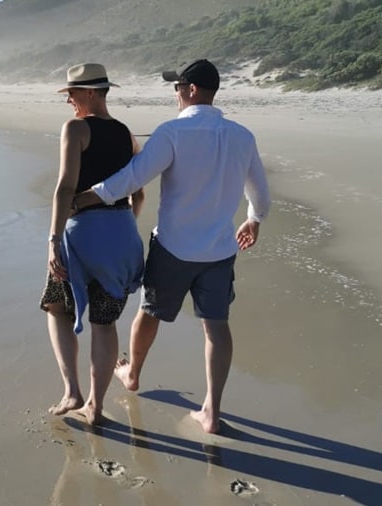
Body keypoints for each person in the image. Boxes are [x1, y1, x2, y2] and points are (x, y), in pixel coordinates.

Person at [72, 59, 271, 433]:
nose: (176, 94)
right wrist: (254, 218)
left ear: (191, 90)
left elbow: (133, 177)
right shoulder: (242, 136)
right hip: (218, 251)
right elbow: (260, 192)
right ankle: (212, 411)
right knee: (216, 327)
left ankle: (132, 374)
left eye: (177, 87)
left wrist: (84, 199)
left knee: (149, 313)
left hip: (174, 248)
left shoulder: (172, 133)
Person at [40, 63, 146, 426]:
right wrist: (122, 227)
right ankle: (96, 408)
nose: (68, 100)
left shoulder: (76, 128)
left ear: (88, 93)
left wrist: (53, 240)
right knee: (105, 321)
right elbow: (139, 195)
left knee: (57, 306)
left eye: (71, 93)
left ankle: (73, 392)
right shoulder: (126, 132)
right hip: (122, 234)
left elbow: (65, 187)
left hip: (83, 236)